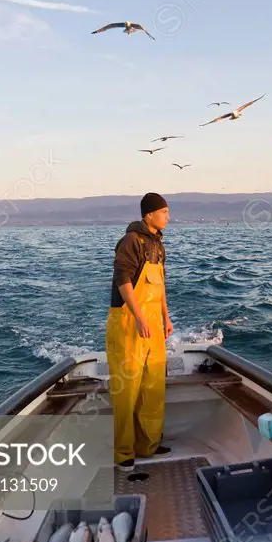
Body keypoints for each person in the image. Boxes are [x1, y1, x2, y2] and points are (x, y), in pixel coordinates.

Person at [106, 192, 174, 475]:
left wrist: (165, 318)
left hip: (153, 325)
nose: (168, 217)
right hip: (128, 322)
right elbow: (123, 280)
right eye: (164, 212)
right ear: (149, 215)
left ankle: (148, 444)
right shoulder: (130, 242)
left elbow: (159, 288)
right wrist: (137, 316)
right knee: (127, 388)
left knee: (153, 385)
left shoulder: (158, 245)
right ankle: (123, 453)